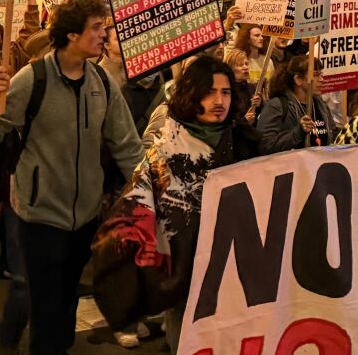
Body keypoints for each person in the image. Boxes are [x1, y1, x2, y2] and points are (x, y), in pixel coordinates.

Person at [0, 0, 144, 355]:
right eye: (96, 28)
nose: (104, 35)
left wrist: (149, 187)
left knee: (66, 302)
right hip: (39, 217)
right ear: (72, 34)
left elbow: (126, 144)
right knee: (47, 311)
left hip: (85, 218)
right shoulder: (31, 80)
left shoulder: (102, 83)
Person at [94, 56, 258, 352]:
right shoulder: (167, 149)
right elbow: (136, 205)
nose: (218, 101)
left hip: (234, 268)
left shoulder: (243, 138)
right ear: (191, 93)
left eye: (225, 92)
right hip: (184, 271)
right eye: (209, 92)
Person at [257, 54, 335, 152]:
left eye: (321, 74)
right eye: (315, 75)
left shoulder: (320, 104)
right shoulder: (277, 105)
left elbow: (332, 134)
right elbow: (265, 145)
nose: (321, 80)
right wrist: (298, 132)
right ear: (298, 79)